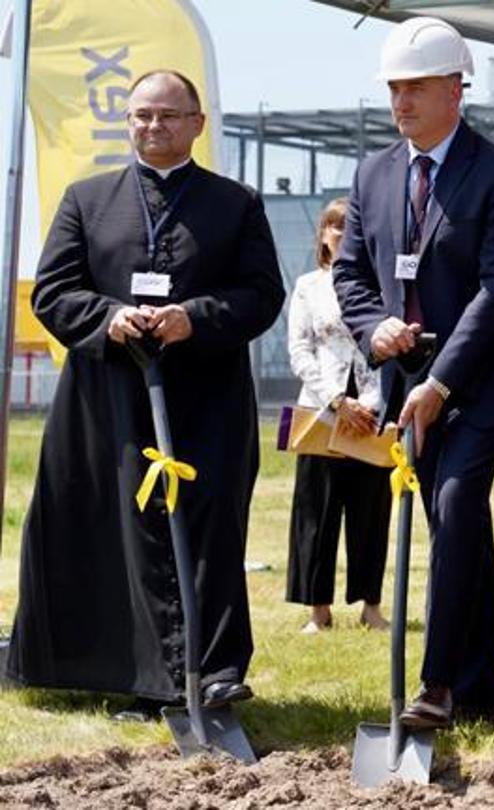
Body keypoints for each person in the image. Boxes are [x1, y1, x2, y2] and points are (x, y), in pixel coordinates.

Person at [5, 69, 285, 721]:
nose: (152, 126)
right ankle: (130, 673)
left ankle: (213, 671)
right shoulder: (87, 199)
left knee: (209, 525)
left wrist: (195, 317)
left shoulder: (236, 204)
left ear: (196, 124)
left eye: (166, 115)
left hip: (206, 398)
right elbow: (54, 291)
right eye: (141, 115)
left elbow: (261, 294)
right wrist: (108, 318)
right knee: (120, 529)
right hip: (110, 399)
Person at [332, 16, 494, 728]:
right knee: (454, 521)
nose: (401, 102)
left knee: (456, 505)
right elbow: (350, 273)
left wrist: (441, 381)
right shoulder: (373, 173)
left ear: (456, 89)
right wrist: (375, 328)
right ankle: (478, 683)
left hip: (483, 376)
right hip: (407, 377)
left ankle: (437, 684)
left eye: (416, 88)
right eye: (394, 89)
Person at [285, 197, 391, 634]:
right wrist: (335, 399)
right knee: (317, 512)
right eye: (335, 227)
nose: (343, 235)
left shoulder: (381, 284)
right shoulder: (309, 286)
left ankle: (371, 606)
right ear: (323, 236)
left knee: (371, 512)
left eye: (351, 228)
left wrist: (371, 404)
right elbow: (299, 348)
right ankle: (318, 610)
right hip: (321, 407)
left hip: (371, 410)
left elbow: (390, 346)